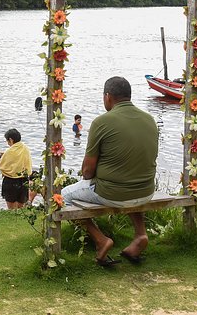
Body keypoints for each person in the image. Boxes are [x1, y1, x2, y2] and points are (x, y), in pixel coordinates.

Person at [61, 76, 159, 267]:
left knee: (62, 196)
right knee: (129, 177)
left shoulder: (102, 122)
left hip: (112, 194)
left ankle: (100, 240)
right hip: (146, 192)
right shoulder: (149, 119)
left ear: (107, 97)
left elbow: (87, 172)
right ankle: (140, 234)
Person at [0, 128, 32, 209]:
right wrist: (5, 154)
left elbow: (2, 167)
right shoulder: (25, 148)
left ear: (11, 140)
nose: (8, 144)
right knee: (21, 207)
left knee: (12, 209)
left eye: (7, 141)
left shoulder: (9, 151)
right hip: (24, 180)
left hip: (11, 181)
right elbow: (19, 160)